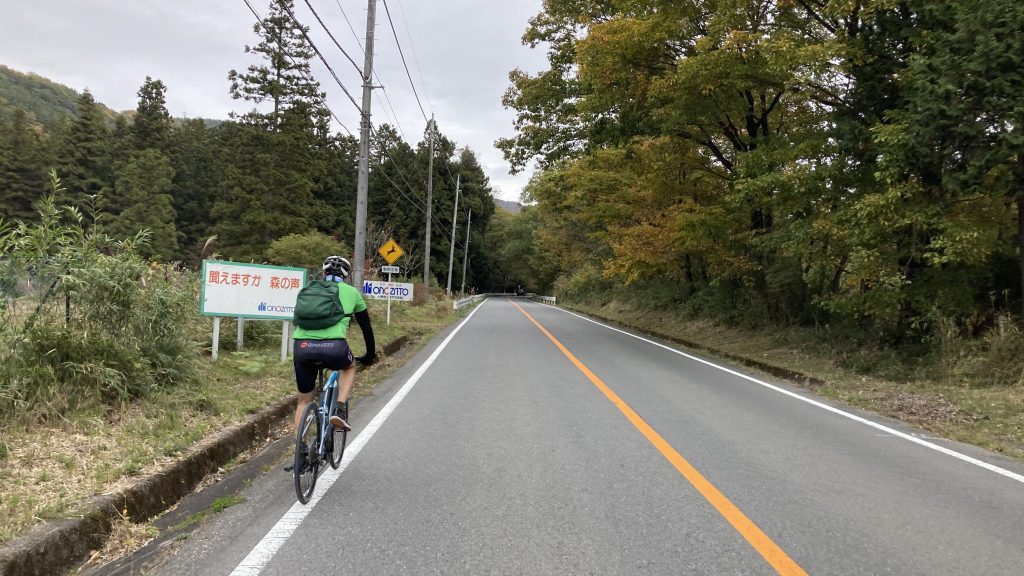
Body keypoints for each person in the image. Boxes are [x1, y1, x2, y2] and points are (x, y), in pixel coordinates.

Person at [292, 256, 376, 435]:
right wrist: (370, 355)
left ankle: (301, 453)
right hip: (334, 348)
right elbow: (366, 328)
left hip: (302, 347)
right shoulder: (352, 293)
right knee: (350, 367)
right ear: (346, 276)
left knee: (303, 401)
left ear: (324, 272)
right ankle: (339, 410)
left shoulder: (308, 289)